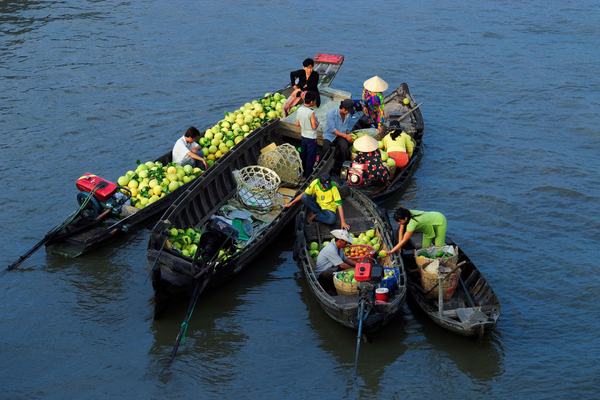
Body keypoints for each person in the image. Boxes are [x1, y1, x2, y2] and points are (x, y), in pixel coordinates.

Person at [283, 173, 350, 230]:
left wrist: (343, 222)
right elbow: (304, 194)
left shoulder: (333, 187)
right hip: (318, 205)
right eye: (324, 186)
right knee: (305, 197)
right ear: (320, 182)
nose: (326, 188)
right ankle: (317, 212)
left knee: (331, 220)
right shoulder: (315, 183)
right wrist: (291, 203)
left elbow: (339, 205)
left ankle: (316, 215)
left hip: (329, 208)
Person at [314, 229, 358, 295]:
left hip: (333, 268)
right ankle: (327, 288)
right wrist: (354, 270)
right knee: (331, 273)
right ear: (340, 241)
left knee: (346, 270)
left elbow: (346, 259)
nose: (346, 245)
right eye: (346, 242)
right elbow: (342, 265)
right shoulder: (331, 249)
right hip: (323, 274)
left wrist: (358, 265)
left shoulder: (339, 248)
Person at [322, 99, 355, 173]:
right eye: (348, 111)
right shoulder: (331, 114)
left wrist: (347, 132)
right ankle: (321, 164)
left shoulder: (347, 115)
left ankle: (343, 166)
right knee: (326, 149)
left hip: (341, 135)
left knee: (345, 147)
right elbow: (333, 130)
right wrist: (345, 136)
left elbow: (347, 126)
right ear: (343, 109)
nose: (349, 113)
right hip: (330, 135)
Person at [296, 91, 320, 180]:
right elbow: (314, 127)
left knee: (303, 155)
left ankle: (301, 173)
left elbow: (297, 123)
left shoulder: (300, 109)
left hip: (303, 136)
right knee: (311, 157)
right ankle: (308, 176)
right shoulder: (311, 112)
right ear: (311, 102)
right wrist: (317, 123)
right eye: (315, 101)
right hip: (311, 137)